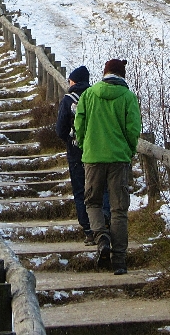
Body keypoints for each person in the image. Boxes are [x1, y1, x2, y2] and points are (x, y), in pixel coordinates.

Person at [74, 58, 142, 275]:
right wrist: (129, 151)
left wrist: (86, 146)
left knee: (92, 202)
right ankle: (119, 259)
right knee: (119, 208)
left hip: (93, 157)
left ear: (104, 73)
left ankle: (101, 237)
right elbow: (133, 129)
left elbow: (79, 125)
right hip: (118, 159)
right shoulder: (128, 97)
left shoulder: (89, 94)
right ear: (121, 75)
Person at [55, 66, 110, 245]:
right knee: (101, 189)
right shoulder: (96, 97)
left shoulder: (68, 100)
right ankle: (104, 225)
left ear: (74, 81)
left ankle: (88, 230)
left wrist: (70, 141)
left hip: (76, 151)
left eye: (71, 79)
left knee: (81, 191)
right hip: (98, 150)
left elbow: (60, 129)